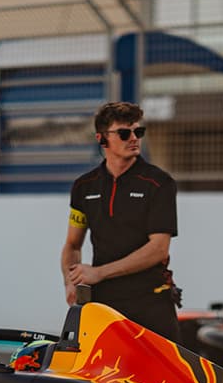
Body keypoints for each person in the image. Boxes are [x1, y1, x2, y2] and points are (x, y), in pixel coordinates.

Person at [61, 102, 181, 341]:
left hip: (151, 302)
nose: (134, 138)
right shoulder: (84, 186)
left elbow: (158, 249)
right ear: (102, 139)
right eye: (125, 133)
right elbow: (73, 244)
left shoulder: (159, 183)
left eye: (139, 132)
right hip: (104, 306)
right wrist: (70, 282)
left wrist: (99, 273)